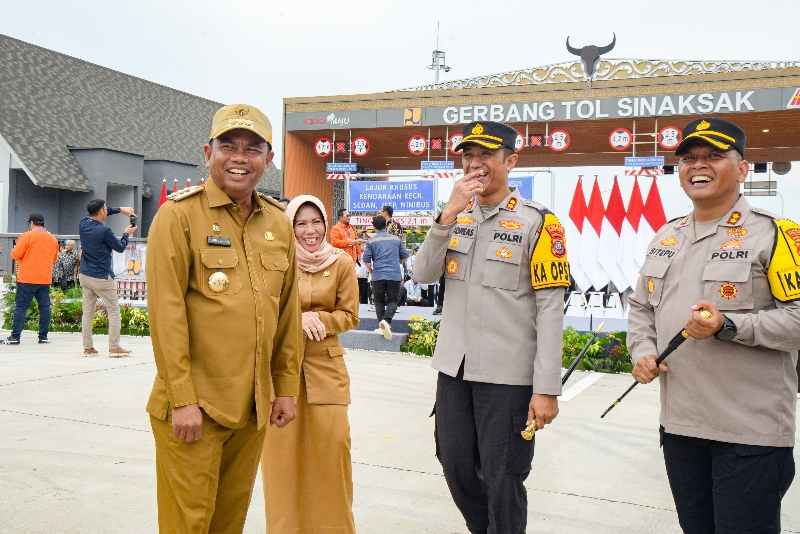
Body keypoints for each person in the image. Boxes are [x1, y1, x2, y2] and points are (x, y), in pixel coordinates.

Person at [628, 117, 799, 534]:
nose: (696, 165)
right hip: (681, 428)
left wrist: (729, 325)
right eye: (688, 158)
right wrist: (642, 351)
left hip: (750, 434)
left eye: (713, 156)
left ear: (742, 169)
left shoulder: (777, 235)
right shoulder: (667, 236)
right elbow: (640, 308)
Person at [145, 103, 301, 534]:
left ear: (269, 159)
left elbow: (286, 311)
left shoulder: (277, 223)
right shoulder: (179, 216)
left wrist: (284, 388)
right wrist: (182, 399)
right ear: (208, 151)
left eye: (253, 148)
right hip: (196, 407)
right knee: (188, 525)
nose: (239, 157)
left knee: (228, 523)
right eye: (228, 145)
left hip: (252, 407)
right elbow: (167, 313)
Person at [413, 121, 569, 534]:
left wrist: (546, 388)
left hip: (507, 377)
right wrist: (445, 216)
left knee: (503, 478)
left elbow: (551, 309)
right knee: (456, 466)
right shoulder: (455, 217)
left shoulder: (539, 223)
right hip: (455, 369)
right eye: (469, 156)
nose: (475, 164)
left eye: (486, 155)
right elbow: (423, 273)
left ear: (511, 161)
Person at [262, 194, 359, 533]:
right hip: (280, 375)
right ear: (290, 226)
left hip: (326, 373)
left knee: (332, 458)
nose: (310, 230)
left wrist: (319, 318)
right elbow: (261, 311)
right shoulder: (277, 262)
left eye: (316, 221)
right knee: (281, 462)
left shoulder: (341, 263)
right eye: (300, 223)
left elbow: (349, 316)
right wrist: (296, 319)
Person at [78, 199, 136, 357]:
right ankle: (114, 347)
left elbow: (103, 211)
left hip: (85, 275)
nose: (107, 210)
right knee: (113, 310)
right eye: (105, 209)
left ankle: (88, 348)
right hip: (101, 277)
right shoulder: (104, 231)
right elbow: (120, 247)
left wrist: (120, 209)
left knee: (87, 312)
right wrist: (126, 234)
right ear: (101, 212)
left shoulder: (83, 223)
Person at [3, 213, 59, 345]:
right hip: (44, 279)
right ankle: (43, 337)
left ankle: (15, 337)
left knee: (21, 307)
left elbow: (15, 254)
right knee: (45, 307)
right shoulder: (52, 239)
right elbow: (54, 258)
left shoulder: (27, 236)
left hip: (26, 278)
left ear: (32, 223)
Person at [362, 214, 409, 340]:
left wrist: (371, 270)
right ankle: (386, 322)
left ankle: (383, 324)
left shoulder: (371, 241)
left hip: (378, 275)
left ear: (374, 226)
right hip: (394, 274)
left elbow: (366, 260)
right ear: (386, 224)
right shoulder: (396, 239)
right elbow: (405, 255)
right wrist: (396, 262)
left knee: (379, 301)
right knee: (393, 301)